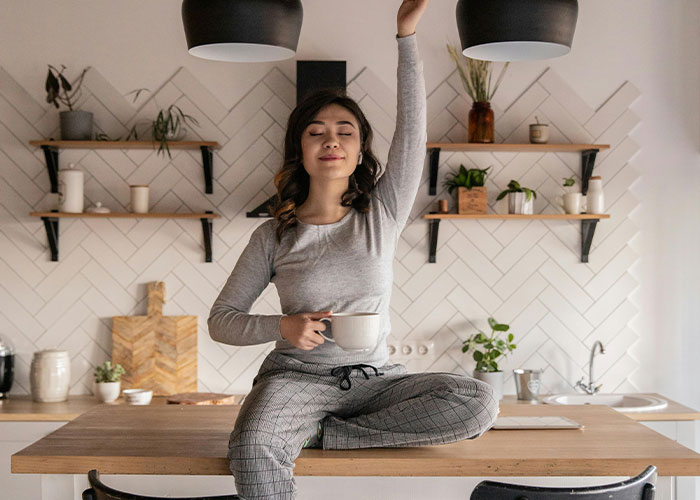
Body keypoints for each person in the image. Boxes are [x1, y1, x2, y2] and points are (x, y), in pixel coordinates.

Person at [208, 1, 498, 498]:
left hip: (377, 382)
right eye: (316, 132)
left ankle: (326, 435)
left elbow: (412, 133)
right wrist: (283, 327)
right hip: (296, 380)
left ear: (360, 151)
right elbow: (222, 320)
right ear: (299, 149)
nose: (332, 141)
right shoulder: (274, 235)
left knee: (478, 400)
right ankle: (305, 429)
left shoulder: (380, 215)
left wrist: (406, 37)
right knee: (253, 446)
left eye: (346, 132)